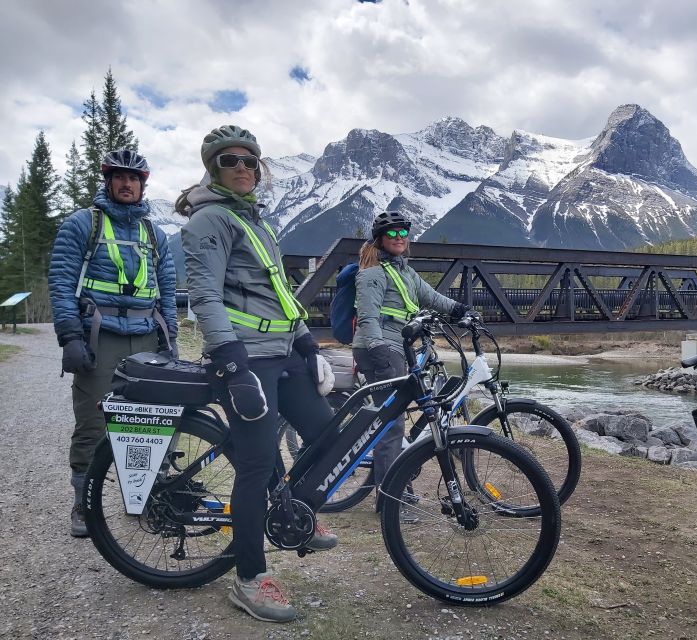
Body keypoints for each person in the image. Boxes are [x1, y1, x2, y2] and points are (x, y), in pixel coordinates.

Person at [179, 125, 337, 623]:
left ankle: (290, 510)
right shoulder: (208, 221)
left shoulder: (256, 221)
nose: (243, 167)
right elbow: (203, 295)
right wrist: (231, 361)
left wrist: (309, 344)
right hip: (245, 356)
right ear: (214, 168)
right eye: (230, 160)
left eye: (250, 159)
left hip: (284, 349)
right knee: (255, 462)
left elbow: (281, 292)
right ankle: (249, 578)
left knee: (326, 432)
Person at [48, 149, 178, 538]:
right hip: (98, 337)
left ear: (143, 186)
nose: (127, 184)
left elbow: (167, 289)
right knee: (92, 422)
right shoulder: (81, 225)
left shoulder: (154, 234)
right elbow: (61, 281)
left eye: (134, 179)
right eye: (120, 177)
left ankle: (148, 494)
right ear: (108, 182)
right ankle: (83, 503)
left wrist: (169, 338)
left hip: (146, 337)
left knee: (155, 422)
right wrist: (70, 336)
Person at [352, 210, 469, 519]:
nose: (399, 238)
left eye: (404, 233)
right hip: (380, 348)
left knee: (405, 416)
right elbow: (367, 316)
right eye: (392, 234)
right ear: (379, 239)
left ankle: (398, 484)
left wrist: (461, 310)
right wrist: (378, 347)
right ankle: (391, 501)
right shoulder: (371, 274)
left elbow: (431, 297)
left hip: (396, 347)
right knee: (392, 426)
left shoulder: (405, 272)